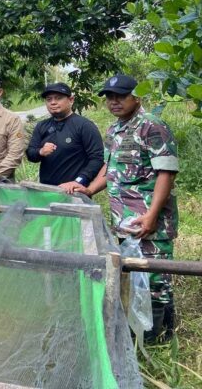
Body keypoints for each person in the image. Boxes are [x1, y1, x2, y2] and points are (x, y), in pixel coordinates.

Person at [75, 74, 179, 342]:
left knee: (155, 279)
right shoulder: (114, 130)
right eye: (109, 97)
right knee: (133, 276)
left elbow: (166, 174)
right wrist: (88, 189)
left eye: (120, 96)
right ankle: (138, 331)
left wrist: (152, 216)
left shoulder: (152, 127)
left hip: (150, 222)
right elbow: (109, 169)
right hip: (123, 220)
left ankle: (160, 338)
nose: (114, 102)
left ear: (137, 96)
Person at [26, 82, 104, 190]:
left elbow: (97, 158)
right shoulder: (41, 126)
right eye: (49, 99)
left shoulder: (84, 126)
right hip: (46, 190)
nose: (53, 102)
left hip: (74, 191)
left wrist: (79, 181)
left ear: (71, 100)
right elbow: (30, 154)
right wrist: (41, 152)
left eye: (58, 98)